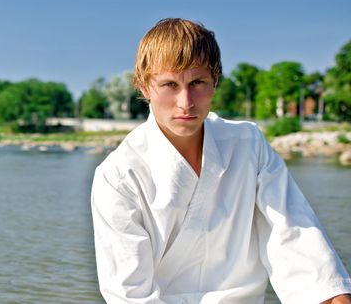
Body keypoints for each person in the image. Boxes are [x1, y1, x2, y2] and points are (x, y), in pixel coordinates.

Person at [91, 18, 351, 303]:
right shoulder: (118, 176)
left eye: (197, 82)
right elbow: (128, 294)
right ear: (143, 87)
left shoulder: (248, 144)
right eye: (169, 84)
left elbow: (292, 231)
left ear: (215, 80)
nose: (186, 102)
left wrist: (332, 296)